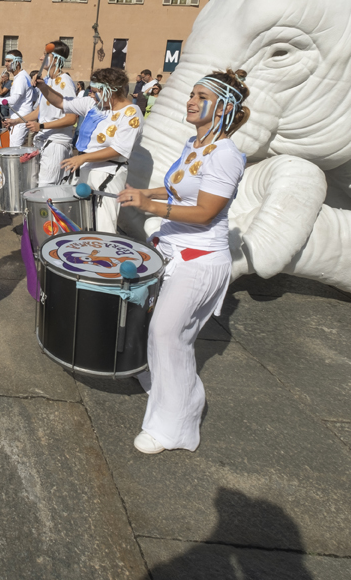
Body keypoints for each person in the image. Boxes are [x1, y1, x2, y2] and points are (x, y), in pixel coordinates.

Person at [117, 69, 250, 455]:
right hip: (174, 251)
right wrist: (145, 192)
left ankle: (176, 427)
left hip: (200, 260)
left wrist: (150, 205)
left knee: (167, 334)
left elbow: (206, 211)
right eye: (191, 94)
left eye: (200, 96)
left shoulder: (226, 154)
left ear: (224, 107)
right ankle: (166, 388)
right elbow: (181, 186)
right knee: (160, 331)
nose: (190, 100)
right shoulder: (196, 145)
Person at [34, 66, 141, 232]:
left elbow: (119, 150)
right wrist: (43, 87)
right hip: (84, 169)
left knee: (102, 224)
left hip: (108, 172)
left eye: (96, 90)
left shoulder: (131, 113)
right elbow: (61, 102)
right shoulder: (94, 104)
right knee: (80, 220)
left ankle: (103, 257)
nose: (92, 94)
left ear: (110, 91)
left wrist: (82, 158)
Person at [22, 41, 77, 185]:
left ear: (56, 59)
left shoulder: (65, 82)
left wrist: (41, 126)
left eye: (45, 55)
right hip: (43, 141)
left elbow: (72, 118)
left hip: (56, 143)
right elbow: (40, 111)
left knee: (47, 188)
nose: (41, 58)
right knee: (38, 185)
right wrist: (16, 121)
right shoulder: (47, 81)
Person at [0, 50, 37, 148]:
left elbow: (13, 100)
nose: (6, 64)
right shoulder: (21, 76)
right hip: (18, 117)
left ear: (17, 62)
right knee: (12, 148)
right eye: (5, 61)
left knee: (14, 150)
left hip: (20, 118)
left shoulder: (21, 78)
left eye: (8, 61)